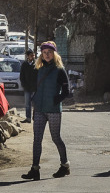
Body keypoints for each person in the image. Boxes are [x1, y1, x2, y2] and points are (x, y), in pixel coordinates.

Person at [22, 41, 71, 180]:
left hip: (54, 110)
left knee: (56, 138)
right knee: (37, 139)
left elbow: (67, 91)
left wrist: (56, 100)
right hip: (39, 109)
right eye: (44, 52)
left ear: (54, 54)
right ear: (41, 54)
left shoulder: (60, 70)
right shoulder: (38, 69)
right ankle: (35, 169)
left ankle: (64, 166)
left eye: (49, 52)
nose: (47, 54)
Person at [19, 48, 38, 123]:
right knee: (27, 104)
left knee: (35, 104)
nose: (32, 57)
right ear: (27, 56)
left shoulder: (36, 64)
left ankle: (35, 117)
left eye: (33, 55)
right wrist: (24, 85)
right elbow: (22, 76)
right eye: (31, 55)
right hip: (27, 88)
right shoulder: (24, 64)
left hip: (35, 88)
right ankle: (28, 118)